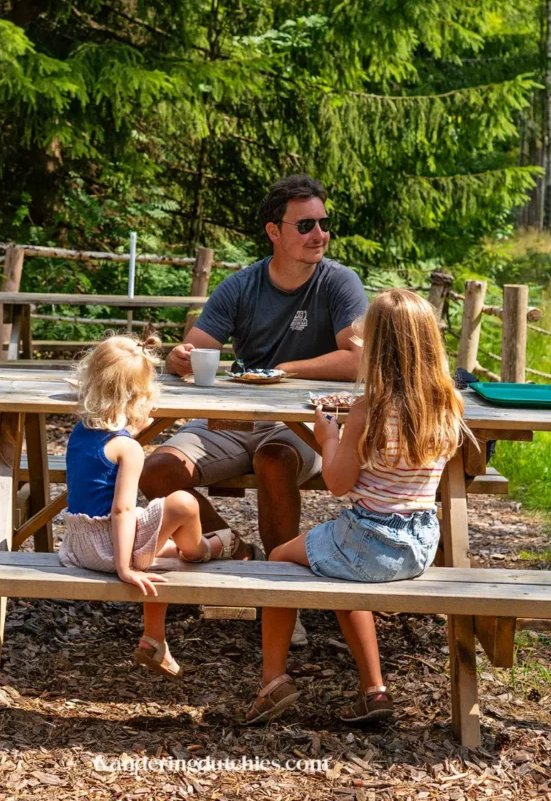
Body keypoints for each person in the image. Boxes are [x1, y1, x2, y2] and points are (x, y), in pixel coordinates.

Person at [139, 174, 368, 644]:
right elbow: (192, 350)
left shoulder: (339, 282)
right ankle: (236, 550)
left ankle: (277, 595)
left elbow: (358, 358)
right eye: (305, 225)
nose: (319, 234)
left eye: (324, 223)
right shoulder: (241, 284)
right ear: (274, 232)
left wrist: (287, 367)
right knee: (155, 469)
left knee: (275, 461)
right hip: (229, 418)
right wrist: (179, 357)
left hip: (304, 423)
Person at [244, 288, 467, 725]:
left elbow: (336, 482)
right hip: (418, 546)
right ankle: (374, 689)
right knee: (340, 574)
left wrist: (329, 437)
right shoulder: (447, 405)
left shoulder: (369, 410)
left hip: (370, 539)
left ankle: (273, 680)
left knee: (278, 559)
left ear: (378, 349)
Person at [58, 334, 235, 679]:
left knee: (163, 555)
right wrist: (125, 569)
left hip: (79, 545)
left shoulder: (80, 432)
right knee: (182, 505)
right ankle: (205, 548)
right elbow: (122, 511)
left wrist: (130, 430)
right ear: (138, 398)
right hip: (109, 549)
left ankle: (155, 639)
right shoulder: (128, 449)